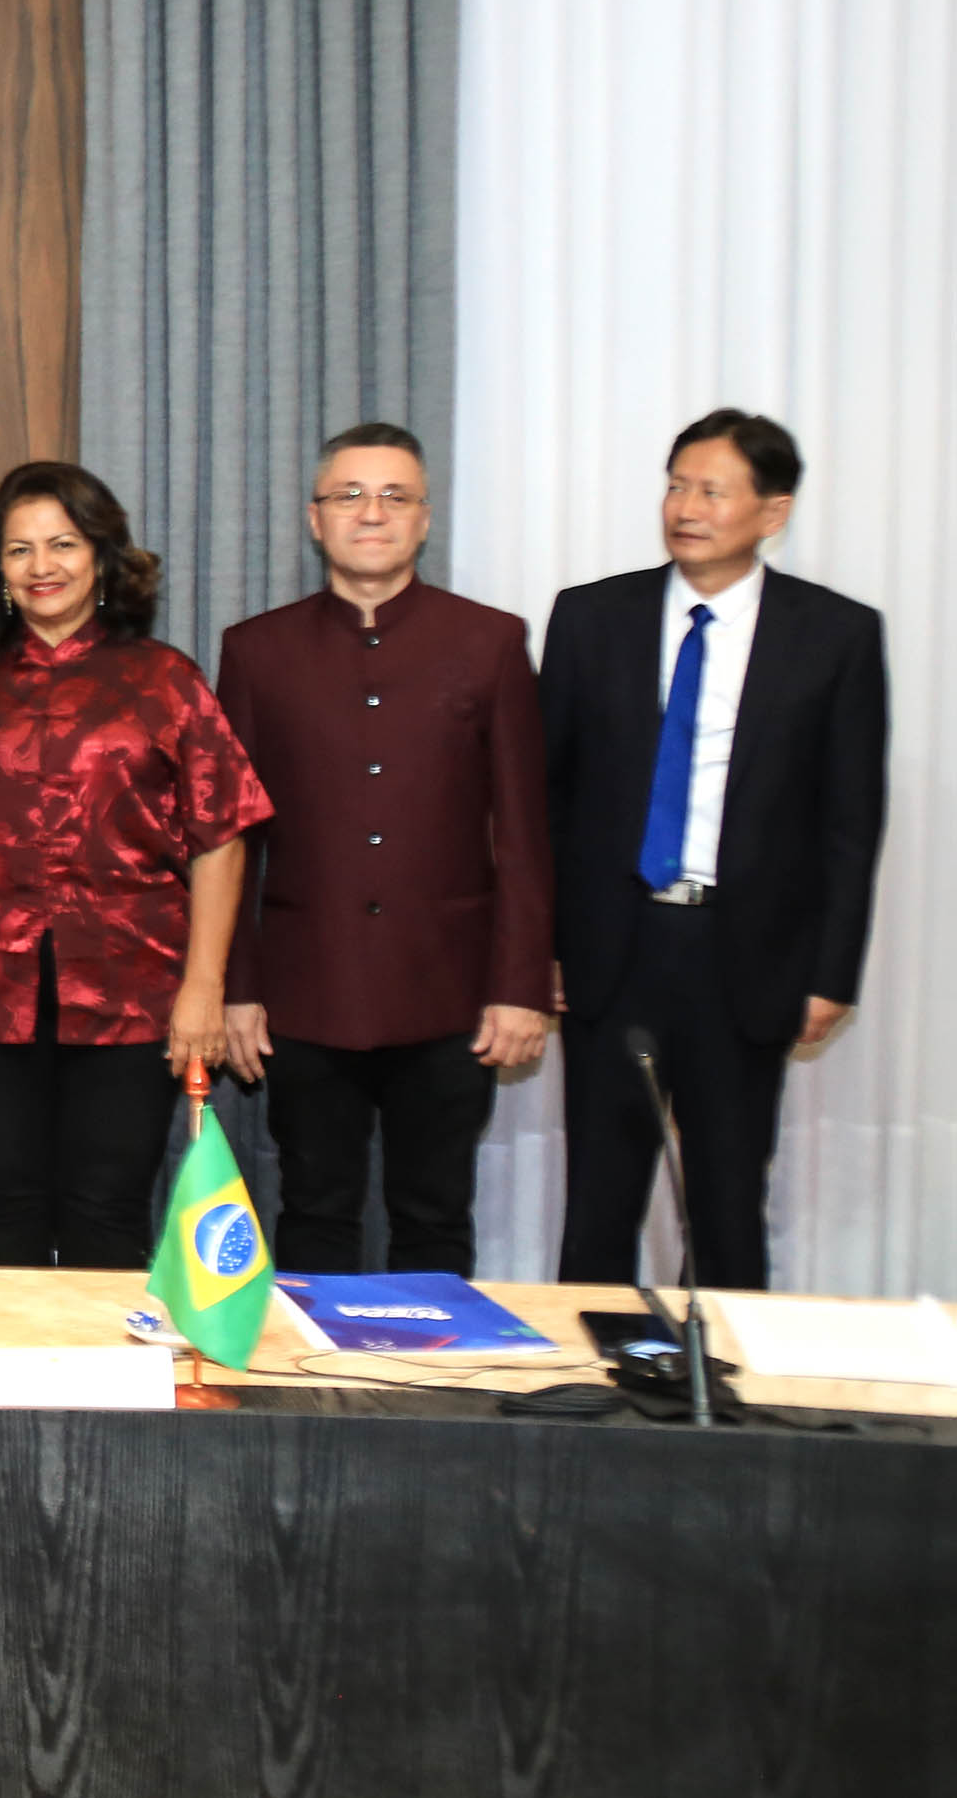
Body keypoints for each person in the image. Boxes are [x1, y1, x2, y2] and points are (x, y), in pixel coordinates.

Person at [0, 461, 270, 1270]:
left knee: (106, 1213)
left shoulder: (165, 681)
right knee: (0, 1213)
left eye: (61, 544)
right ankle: (2, 1399)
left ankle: (105, 1399)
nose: (42, 567)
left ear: (101, 556)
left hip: (134, 990)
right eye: (19, 550)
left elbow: (220, 839)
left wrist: (203, 987)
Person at [541, 410, 886, 1292]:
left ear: (771, 513)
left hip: (745, 954)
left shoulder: (835, 635)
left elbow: (850, 820)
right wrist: (535, 947)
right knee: (598, 1202)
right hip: (612, 947)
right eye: (675, 485)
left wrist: (830, 973)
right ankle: (595, 1393)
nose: (684, 508)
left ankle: (724, 1401)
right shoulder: (590, 618)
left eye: (711, 491)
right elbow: (546, 796)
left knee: (728, 1202)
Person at [214, 423, 553, 1276]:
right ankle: (310, 1400)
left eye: (394, 496)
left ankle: (434, 1393)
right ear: (314, 518)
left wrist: (520, 987)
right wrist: (236, 989)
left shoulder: (490, 642)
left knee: (433, 1214)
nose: (372, 513)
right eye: (350, 496)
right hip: (303, 989)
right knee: (313, 1208)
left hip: (450, 993)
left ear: (424, 519)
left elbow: (521, 831)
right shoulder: (256, 651)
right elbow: (231, 840)